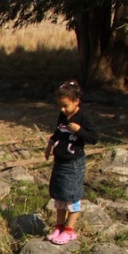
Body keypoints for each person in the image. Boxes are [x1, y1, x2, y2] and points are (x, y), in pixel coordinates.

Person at [44, 80, 98, 245]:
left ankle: (69, 230)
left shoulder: (83, 117)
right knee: (59, 196)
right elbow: (58, 132)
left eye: (66, 105)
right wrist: (50, 144)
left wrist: (79, 131)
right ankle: (59, 227)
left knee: (72, 196)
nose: (62, 109)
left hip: (73, 163)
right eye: (60, 106)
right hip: (60, 161)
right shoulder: (63, 116)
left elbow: (93, 138)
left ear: (76, 101)